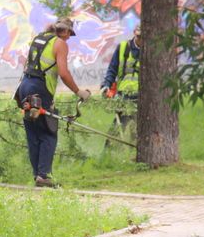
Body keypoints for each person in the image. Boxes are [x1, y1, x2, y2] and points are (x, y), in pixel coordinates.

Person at [16, 18, 91, 188]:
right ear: (64, 31)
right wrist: (78, 92)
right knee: (48, 131)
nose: (69, 38)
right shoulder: (60, 44)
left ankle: (38, 175)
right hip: (40, 89)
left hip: (24, 87)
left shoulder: (39, 38)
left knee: (33, 133)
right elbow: (63, 73)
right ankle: (43, 175)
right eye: (69, 34)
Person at [100, 25, 142, 99]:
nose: (141, 39)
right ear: (134, 33)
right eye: (139, 37)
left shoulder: (151, 52)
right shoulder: (123, 46)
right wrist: (106, 85)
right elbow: (112, 69)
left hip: (142, 97)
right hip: (122, 95)